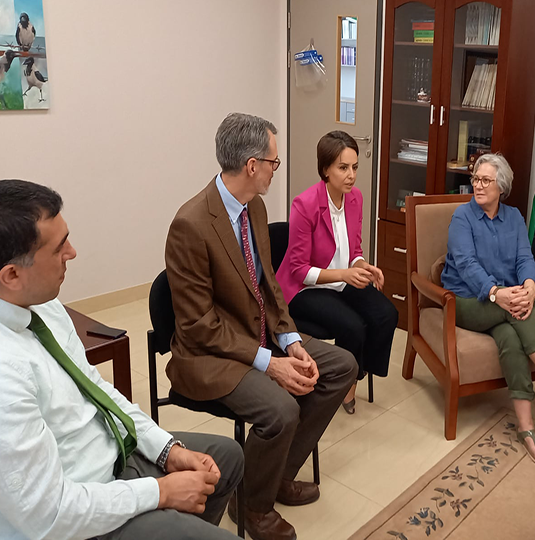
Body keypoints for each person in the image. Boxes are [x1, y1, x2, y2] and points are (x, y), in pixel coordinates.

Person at [0, 180, 243, 540]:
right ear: (11, 275)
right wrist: (160, 492)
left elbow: (96, 389)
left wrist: (166, 450)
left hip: (105, 460)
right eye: (59, 248)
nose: (73, 253)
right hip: (67, 519)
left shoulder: (40, 304)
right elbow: (49, 515)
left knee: (226, 458)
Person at [165, 113, 358, 540]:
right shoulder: (191, 225)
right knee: (281, 409)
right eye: (274, 161)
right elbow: (198, 326)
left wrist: (289, 340)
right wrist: (269, 362)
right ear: (252, 165)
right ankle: (252, 507)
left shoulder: (254, 205)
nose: (276, 168)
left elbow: (267, 283)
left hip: (259, 334)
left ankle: (268, 479)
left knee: (341, 365)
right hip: (210, 354)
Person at [439, 153, 535, 465]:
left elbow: (525, 258)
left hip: (504, 301)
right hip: (467, 301)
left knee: (510, 339)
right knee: (516, 310)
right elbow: (467, 265)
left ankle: (526, 427)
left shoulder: (513, 218)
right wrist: (498, 293)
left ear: (502, 187)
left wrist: (527, 285)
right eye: (476, 179)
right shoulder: (462, 217)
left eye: (486, 180)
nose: (478, 185)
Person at [278, 131, 398, 414]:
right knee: (353, 325)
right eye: (343, 168)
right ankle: (344, 383)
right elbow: (298, 270)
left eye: (355, 167)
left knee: (386, 314)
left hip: (340, 280)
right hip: (304, 288)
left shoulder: (355, 198)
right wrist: (344, 275)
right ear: (325, 170)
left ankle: (354, 376)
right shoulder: (304, 205)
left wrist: (362, 266)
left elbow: (353, 249)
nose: (351, 175)